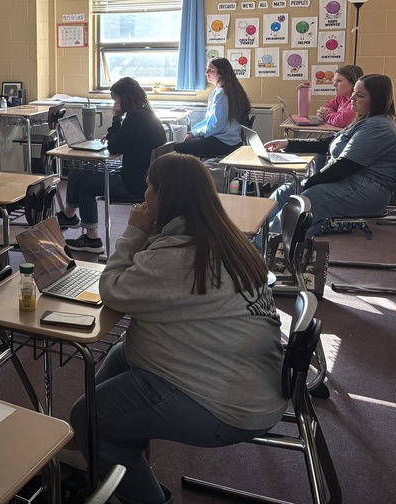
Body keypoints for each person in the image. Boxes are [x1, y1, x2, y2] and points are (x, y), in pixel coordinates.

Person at [69, 153, 286, 504]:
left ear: (165, 197)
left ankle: (112, 457)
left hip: (223, 407)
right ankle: (94, 454)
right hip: (252, 381)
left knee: (87, 417)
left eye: (149, 188)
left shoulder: (178, 255)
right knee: (124, 351)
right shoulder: (224, 237)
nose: (144, 197)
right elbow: (153, 281)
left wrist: (135, 232)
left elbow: (113, 289)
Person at [266, 73, 396, 237]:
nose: (352, 98)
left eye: (360, 95)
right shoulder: (364, 120)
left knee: (307, 199)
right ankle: (261, 233)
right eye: (354, 92)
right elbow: (328, 142)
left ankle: (269, 246)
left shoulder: (379, 127)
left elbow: (344, 166)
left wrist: (308, 183)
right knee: (286, 190)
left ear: (377, 101)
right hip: (352, 183)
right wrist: (288, 143)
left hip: (367, 191)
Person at [56, 77, 166, 253]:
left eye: (116, 100)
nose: (115, 104)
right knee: (85, 184)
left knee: (77, 175)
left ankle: (70, 217)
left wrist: (116, 119)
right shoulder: (148, 114)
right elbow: (124, 143)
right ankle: (90, 237)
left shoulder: (134, 117)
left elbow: (115, 147)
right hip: (146, 181)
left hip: (132, 184)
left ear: (124, 98)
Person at [175, 58, 250, 158]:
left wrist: (195, 133)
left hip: (224, 143)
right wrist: (194, 132)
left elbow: (217, 125)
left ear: (222, 73)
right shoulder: (223, 91)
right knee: (185, 143)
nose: (206, 73)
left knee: (175, 149)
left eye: (211, 70)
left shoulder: (222, 94)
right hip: (229, 140)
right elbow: (208, 120)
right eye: (207, 69)